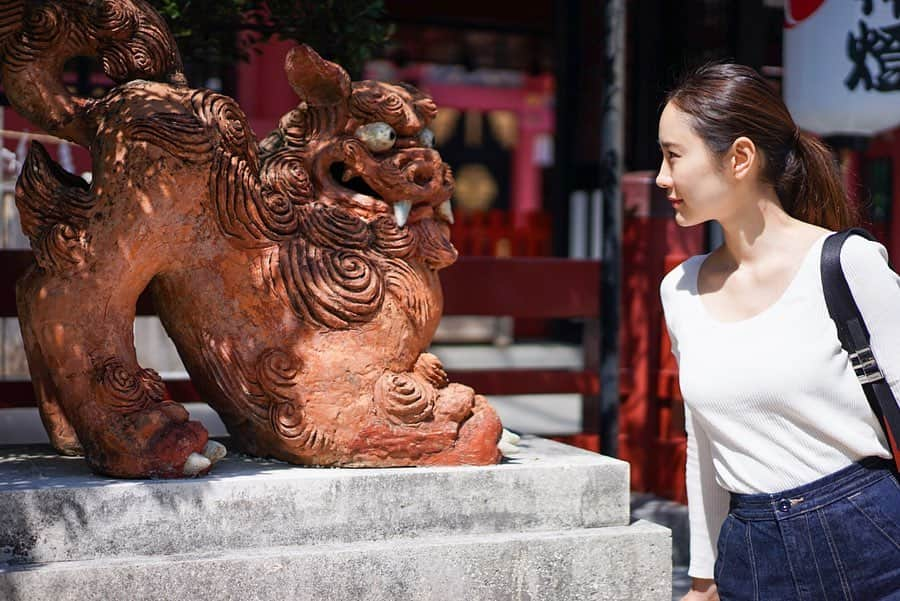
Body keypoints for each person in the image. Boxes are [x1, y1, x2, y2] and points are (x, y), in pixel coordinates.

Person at [657, 62, 900, 601]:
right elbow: (702, 442)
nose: (661, 177)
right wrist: (703, 578)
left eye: (674, 155)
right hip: (750, 553)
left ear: (739, 157)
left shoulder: (846, 264)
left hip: (870, 535)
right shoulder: (681, 289)